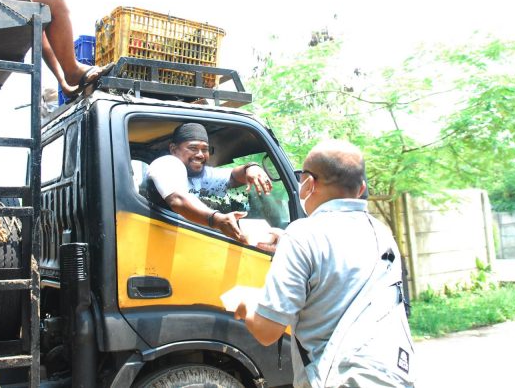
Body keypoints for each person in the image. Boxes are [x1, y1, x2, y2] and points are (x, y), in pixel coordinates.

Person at [234, 139, 414, 388]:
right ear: (361, 188)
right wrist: (286, 242)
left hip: (339, 380)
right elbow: (342, 257)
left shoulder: (302, 236)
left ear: (308, 183)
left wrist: (244, 302)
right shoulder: (381, 233)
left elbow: (267, 332)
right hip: (393, 376)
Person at [147, 122, 273, 242]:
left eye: (205, 149)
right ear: (173, 149)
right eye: (193, 148)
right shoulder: (167, 163)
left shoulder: (201, 175)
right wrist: (217, 220)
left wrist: (251, 167)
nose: (200, 155)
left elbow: (233, 178)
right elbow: (178, 200)